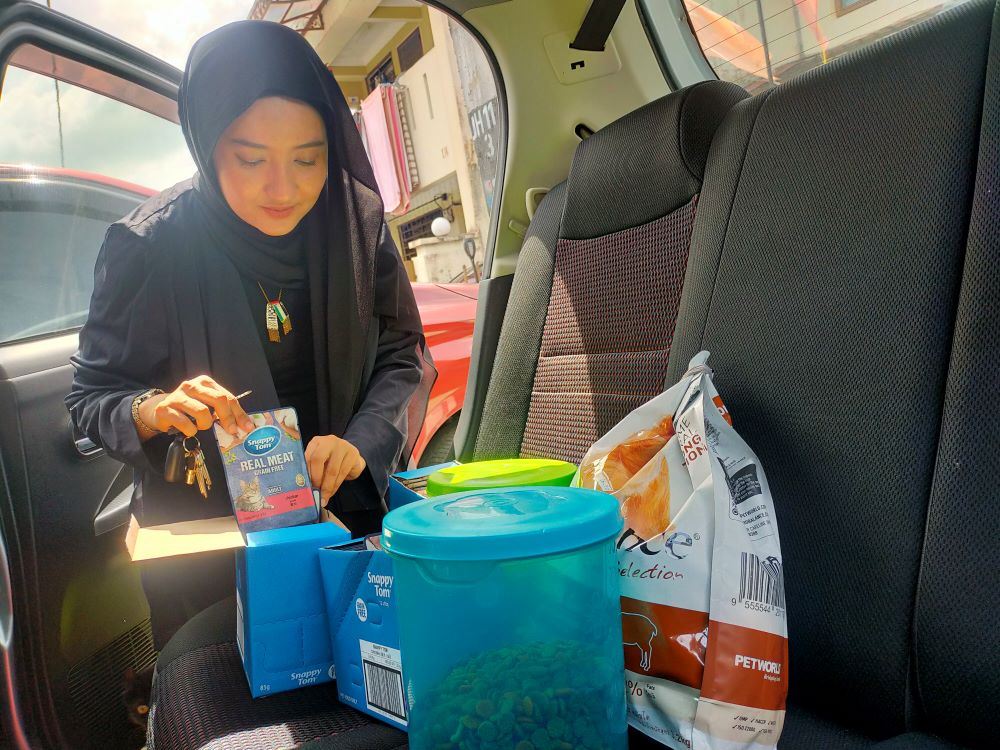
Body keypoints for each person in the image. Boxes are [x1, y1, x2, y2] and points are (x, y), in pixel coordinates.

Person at [66, 20, 429, 649]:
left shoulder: (356, 222)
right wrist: (154, 409)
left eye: (308, 158)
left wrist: (361, 443)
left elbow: (404, 354)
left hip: (343, 526)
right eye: (251, 159)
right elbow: (91, 396)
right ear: (208, 143)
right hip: (211, 554)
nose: (283, 188)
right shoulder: (149, 245)